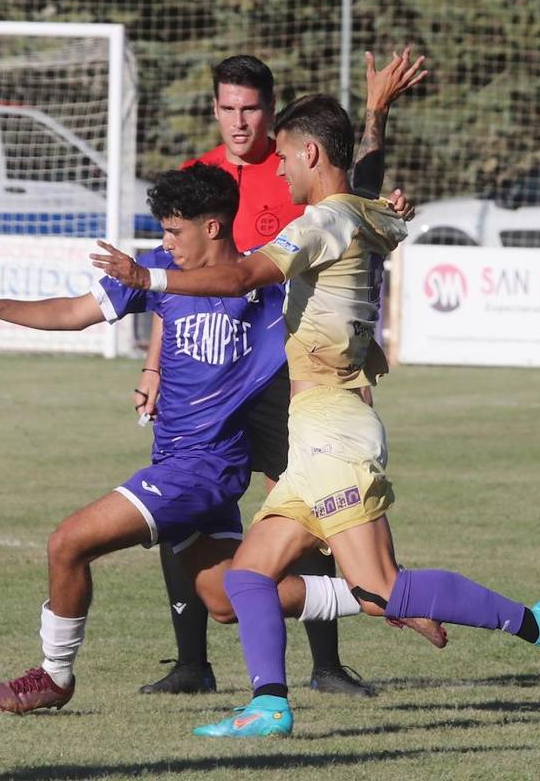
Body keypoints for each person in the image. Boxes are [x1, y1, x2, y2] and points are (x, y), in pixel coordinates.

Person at [92, 95, 540, 738]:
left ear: (310, 153)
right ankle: (269, 705)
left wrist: (150, 277)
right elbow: (361, 180)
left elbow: (239, 277)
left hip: (335, 428)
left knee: (383, 587)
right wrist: (375, 117)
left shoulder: (319, 224)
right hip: (313, 428)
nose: (278, 171)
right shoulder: (368, 214)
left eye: (283, 157)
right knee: (246, 578)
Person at [0, 163, 386, 715]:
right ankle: (378, 596)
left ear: (214, 228)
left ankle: (55, 676)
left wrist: (379, 192)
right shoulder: (153, 272)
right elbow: (75, 312)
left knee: (67, 543)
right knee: (224, 599)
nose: (165, 242)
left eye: (175, 231)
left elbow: (342, 249)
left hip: (203, 470)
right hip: (177, 459)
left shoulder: (265, 290)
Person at [134, 49, 429, 698]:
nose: (240, 121)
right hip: (210, 373)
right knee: (183, 497)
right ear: (214, 108)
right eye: (228, 108)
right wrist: (156, 364)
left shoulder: (295, 169)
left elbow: (355, 197)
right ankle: (192, 665)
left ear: (270, 113)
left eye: (252, 108)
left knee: (308, 498)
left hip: (276, 371)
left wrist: (376, 120)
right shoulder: (198, 176)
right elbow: (179, 283)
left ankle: (324, 665)